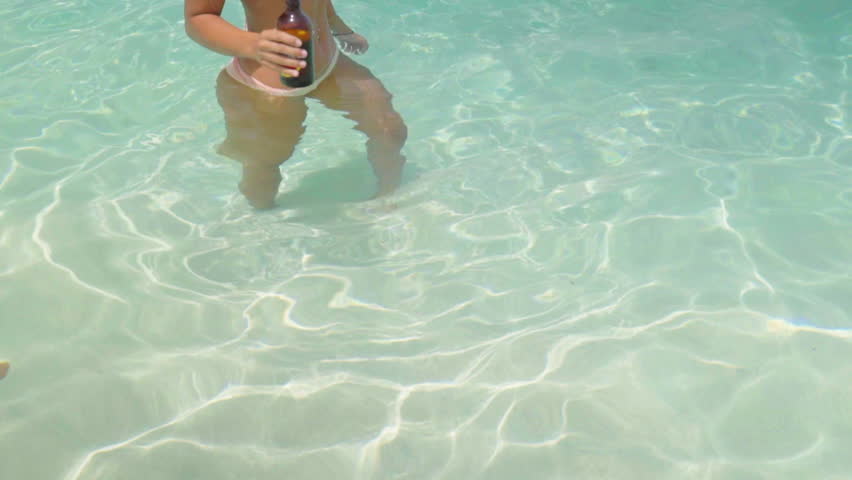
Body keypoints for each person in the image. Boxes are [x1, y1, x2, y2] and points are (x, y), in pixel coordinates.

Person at [184, 0, 408, 209]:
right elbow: (198, 17)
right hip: (269, 83)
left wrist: (341, 29)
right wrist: (252, 45)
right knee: (265, 167)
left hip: (329, 65)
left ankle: (388, 202)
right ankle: (259, 221)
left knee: (389, 129)